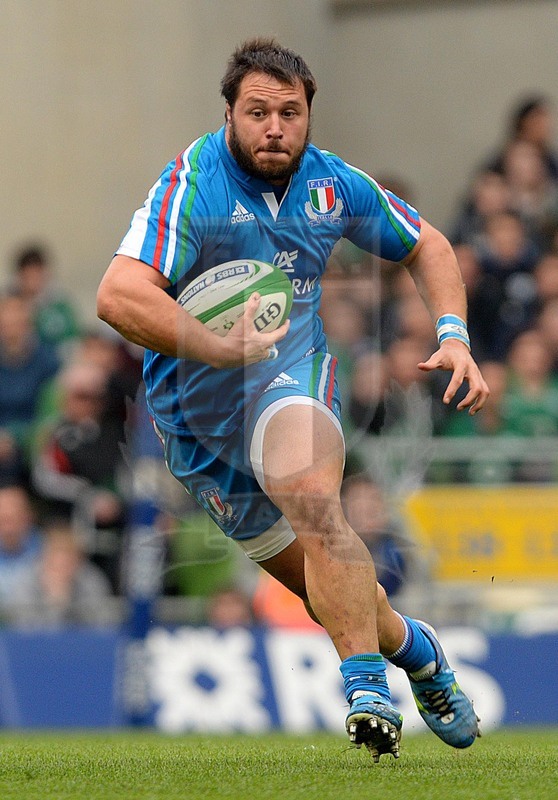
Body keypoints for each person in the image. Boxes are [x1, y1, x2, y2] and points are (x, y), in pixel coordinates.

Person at [97, 38, 489, 760]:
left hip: (288, 377)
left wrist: (455, 334)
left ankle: (366, 690)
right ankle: (420, 655)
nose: (274, 127)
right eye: (257, 112)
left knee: (310, 495)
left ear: (309, 114)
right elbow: (116, 295)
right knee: (330, 587)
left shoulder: (331, 185)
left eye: (289, 111)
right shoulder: (193, 185)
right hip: (198, 427)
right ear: (229, 115)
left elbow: (426, 245)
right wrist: (207, 342)